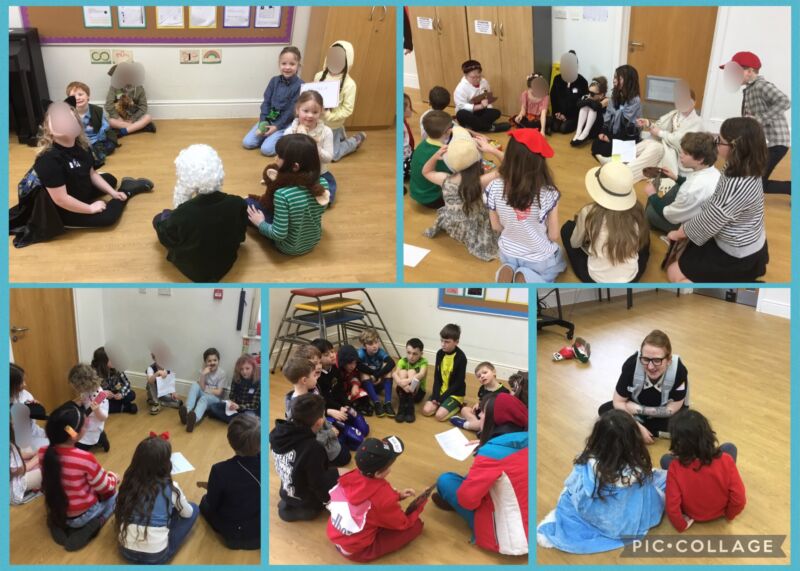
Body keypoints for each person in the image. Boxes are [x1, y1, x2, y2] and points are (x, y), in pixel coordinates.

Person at [9, 100, 152, 247]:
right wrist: (90, 208)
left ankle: (113, 191)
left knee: (110, 179)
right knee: (108, 218)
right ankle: (127, 189)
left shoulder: (82, 147)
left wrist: (112, 193)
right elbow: (61, 200)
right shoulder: (48, 159)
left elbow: (92, 174)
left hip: (77, 188)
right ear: (49, 129)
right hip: (61, 210)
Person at [537, 410, 666, 553]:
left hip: (594, 513)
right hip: (623, 521)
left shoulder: (589, 462)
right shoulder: (635, 468)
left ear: (597, 437)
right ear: (633, 439)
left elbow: (574, 484)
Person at [666, 117, 770, 283]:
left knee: (673, 273)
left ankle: (737, 280)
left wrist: (679, 233)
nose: (715, 143)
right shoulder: (744, 164)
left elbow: (713, 218)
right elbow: (717, 205)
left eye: (719, 141)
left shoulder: (738, 185)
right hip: (746, 234)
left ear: (735, 148)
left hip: (738, 252)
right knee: (686, 250)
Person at [434, 392, 528, 555]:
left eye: (483, 412)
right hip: (528, 521)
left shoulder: (490, 453)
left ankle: (451, 503)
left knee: (445, 480)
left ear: (494, 419)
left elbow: (467, 500)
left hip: (506, 538)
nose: (480, 416)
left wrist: (486, 449)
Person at [153, 144, 247, 282]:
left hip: (195, 270)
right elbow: (240, 235)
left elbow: (168, 239)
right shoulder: (237, 202)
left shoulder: (183, 213)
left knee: (158, 219)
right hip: (226, 262)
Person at [327, 436, 427, 561]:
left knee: (379, 517)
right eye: (390, 465)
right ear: (378, 474)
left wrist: (397, 496)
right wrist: (420, 504)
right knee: (416, 525)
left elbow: (372, 499)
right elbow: (402, 523)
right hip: (357, 550)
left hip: (336, 534)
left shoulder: (350, 475)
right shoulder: (383, 497)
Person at [486, 128, 566, 283]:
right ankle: (527, 277)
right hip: (538, 258)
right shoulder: (549, 193)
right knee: (558, 257)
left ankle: (507, 269)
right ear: (539, 162)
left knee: (511, 262)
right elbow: (553, 235)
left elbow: (496, 226)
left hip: (507, 252)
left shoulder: (493, 187)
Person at [39, 402, 119, 551]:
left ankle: (55, 522)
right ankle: (97, 522)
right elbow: (105, 487)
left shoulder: (43, 452)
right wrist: (114, 478)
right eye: (85, 424)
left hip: (57, 510)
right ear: (74, 434)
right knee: (116, 496)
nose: (87, 425)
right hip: (82, 516)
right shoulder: (85, 458)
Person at [561, 161, 650, 283]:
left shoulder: (589, 212)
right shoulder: (638, 211)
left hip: (595, 279)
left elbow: (575, 243)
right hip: (631, 278)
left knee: (567, 229)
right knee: (645, 239)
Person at [116, 433, 198, 564]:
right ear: (166, 464)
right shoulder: (171, 487)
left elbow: (120, 510)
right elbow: (187, 514)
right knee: (194, 508)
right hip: (156, 557)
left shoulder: (128, 482)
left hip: (125, 552)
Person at [422, 127, 501, 261]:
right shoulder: (480, 181)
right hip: (475, 228)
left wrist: (435, 156)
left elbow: (426, 172)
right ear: (478, 162)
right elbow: (509, 169)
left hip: (454, 225)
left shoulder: (445, 179)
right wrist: (492, 150)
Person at [660, 410, 745, 532]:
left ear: (677, 442)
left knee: (665, 459)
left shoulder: (675, 467)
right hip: (720, 510)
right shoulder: (726, 460)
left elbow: (672, 507)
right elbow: (739, 499)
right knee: (729, 447)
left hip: (693, 513)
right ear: (708, 433)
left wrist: (681, 525)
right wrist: (729, 514)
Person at [598, 329, 688, 444]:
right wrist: (636, 426)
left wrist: (639, 410)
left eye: (657, 360)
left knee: (683, 426)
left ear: (669, 360)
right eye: (645, 359)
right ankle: (646, 430)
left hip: (660, 413)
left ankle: (631, 430)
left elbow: (672, 409)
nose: (650, 367)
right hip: (636, 412)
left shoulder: (679, 371)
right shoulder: (631, 364)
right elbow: (618, 401)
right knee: (605, 410)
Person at [721, 51, 791, 195]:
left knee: (758, 184)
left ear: (749, 71)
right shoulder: (750, 89)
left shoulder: (761, 86)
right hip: (763, 143)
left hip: (775, 143)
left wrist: (759, 119)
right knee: (753, 180)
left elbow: (784, 101)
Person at [247, 134, 330, 256]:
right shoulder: (323, 184)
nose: (276, 158)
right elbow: (319, 210)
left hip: (288, 247)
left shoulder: (282, 194)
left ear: (295, 166)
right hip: (313, 241)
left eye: (279, 156)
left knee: (247, 203)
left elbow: (278, 234)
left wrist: (260, 223)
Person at [270, 393, 340, 522]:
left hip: (286, 490)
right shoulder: (313, 448)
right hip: (307, 503)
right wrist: (328, 502)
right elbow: (317, 484)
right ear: (319, 422)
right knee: (340, 473)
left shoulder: (276, 433)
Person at [201, 414, 261, 549]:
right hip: (260, 529)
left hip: (235, 534)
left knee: (204, 502)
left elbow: (212, 502)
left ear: (230, 440)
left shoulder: (220, 470)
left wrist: (212, 489)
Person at [644, 132, 720, 233]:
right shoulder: (714, 172)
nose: (681, 155)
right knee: (678, 186)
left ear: (700, 159)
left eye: (686, 153)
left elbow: (669, 215)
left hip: (690, 227)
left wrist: (652, 195)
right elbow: (688, 184)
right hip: (700, 215)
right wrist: (676, 178)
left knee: (649, 213)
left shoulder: (690, 188)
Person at [628, 81, 703, 182]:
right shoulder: (675, 114)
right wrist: (648, 124)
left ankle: (627, 172)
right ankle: (615, 160)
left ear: (693, 102)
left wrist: (660, 133)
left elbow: (681, 142)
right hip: (665, 145)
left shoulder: (697, 122)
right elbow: (660, 126)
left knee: (655, 147)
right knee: (648, 143)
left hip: (678, 155)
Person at [283, 355, 350, 467]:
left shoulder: (308, 395)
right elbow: (309, 438)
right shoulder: (303, 409)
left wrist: (329, 428)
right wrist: (330, 434)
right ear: (304, 380)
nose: (317, 378)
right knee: (346, 457)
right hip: (320, 445)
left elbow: (321, 417)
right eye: (314, 375)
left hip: (325, 433)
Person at [242, 46, 303, 156]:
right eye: (284, 63)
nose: (287, 67)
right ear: (279, 64)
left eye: (292, 64)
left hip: (284, 123)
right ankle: (268, 136)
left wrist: (277, 127)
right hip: (269, 119)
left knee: (266, 150)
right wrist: (263, 122)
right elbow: (266, 102)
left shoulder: (301, 85)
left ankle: (283, 138)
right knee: (247, 143)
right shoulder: (274, 81)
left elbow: (291, 111)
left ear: (298, 65)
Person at [311, 339, 369, 447]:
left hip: (338, 406)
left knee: (364, 429)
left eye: (332, 351)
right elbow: (324, 399)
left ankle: (346, 426)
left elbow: (340, 390)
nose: (332, 355)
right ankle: (341, 433)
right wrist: (338, 408)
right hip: (326, 412)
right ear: (317, 359)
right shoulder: (316, 378)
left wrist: (346, 404)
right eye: (326, 354)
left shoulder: (334, 369)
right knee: (356, 440)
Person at [314, 41, 366, 161]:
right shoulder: (319, 76)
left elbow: (347, 109)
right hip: (316, 122)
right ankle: (340, 135)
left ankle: (356, 140)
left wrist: (329, 116)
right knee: (313, 149)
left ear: (347, 62)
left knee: (333, 155)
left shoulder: (350, 85)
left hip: (333, 124)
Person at [284, 90, 337, 201]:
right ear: (297, 110)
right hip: (296, 173)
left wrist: (315, 145)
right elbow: (284, 157)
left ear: (321, 111)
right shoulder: (290, 131)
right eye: (306, 111)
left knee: (328, 194)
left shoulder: (326, 131)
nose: (310, 115)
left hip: (319, 173)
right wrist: (298, 138)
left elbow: (328, 158)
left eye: (315, 112)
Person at [592, 65, 642, 162]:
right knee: (596, 144)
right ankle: (611, 158)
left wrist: (611, 139)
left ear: (628, 81)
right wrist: (603, 132)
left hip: (627, 134)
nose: (614, 80)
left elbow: (628, 127)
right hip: (614, 132)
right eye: (614, 77)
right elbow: (608, 116)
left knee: (607, 149)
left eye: (618, 78)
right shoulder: (615, 95)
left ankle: (612, 159)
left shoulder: (635, 100)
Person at [66, 81, 116, 168]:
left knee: (110, 145)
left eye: (80, 94)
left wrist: (99, 139)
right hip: (80, 141)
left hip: (97, 139)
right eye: (73, 96)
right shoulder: (69, 113)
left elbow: (105, 125)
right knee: (72, 150)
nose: (77, 98)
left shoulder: (97, 110)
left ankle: (94, 154)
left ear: (88, 96)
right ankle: (90, 155)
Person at [409, 110, 453, 208]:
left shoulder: (422, 144)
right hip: (431, 198)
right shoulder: (441, 153)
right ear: (448, 131)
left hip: (417, 192)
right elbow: (450, 175)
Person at [423, 324, 467, 421]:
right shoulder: (440, 353)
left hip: (455, 393)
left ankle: (459, 405)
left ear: (456, 342)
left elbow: (458, 383)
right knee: (426, 411)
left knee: (439, 416)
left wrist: (442, 398)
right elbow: (437, 377)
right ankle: (442, 404)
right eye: (442, 340)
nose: (443, 344)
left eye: (447, 342)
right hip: (441, 390)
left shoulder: (461, 358)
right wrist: (435, 395)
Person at [179, 348, 227, 432]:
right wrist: (203, 374)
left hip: (214, 398)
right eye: (209, 361)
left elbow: (218, 392)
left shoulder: (222, 373)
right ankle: (187, 411)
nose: (212, 363)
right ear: (205, 362)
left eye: (215, 360)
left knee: (204, 398)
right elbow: (201, 386)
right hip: (205, 391)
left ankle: (194, 419)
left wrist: (205, 388)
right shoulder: (203, 370)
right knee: (195, 385)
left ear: (218, 361)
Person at [450, 362, 509, 432]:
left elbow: (502, 411)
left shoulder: (504, 392)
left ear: (494, 372)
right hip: (480, 413)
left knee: (489, 424)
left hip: (490, 417)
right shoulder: (482, 388)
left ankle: (466, 424)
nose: (482, 376)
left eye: (485, 372)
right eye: (479, 376)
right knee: (464, 409)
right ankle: (477, 425)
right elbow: (481, 399)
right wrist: (478, 403)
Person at [454, 60, 509, 133]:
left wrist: (487, 105)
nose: (477, 79)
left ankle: (473, 126)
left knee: (496, 112)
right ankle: (491, 128)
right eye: (473, 77)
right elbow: (461, 106)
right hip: (468, 113)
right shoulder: (460, 88)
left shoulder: (484, 82)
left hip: (479, 112)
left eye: (479, 76)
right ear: (465, 75)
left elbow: (487, 96)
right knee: (461, 114)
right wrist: (480, 106)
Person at [104, 62, 155, 136]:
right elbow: (108, 105)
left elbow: (143, 107)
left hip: (134, 117)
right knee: (110, 121)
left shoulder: (139, 88)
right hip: (119, 118)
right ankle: (141, 128)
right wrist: (118, 118)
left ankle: (123, 131)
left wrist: (132, 119)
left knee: (148, 117)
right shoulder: (114, 88)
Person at [68, 364, 110, 453]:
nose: (76, 390)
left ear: (83, 384)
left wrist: (97, 410)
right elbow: (85, 401)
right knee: (67, 429)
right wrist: (80, 403)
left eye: (76, 387)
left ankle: (101, 437)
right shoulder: (86, 391)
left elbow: (103, 417)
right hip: (85, 420)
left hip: (93, 428)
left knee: (75, 445)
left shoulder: (99, 395)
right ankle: (100, 437)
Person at [208, 354, 261, 423]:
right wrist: (232, 403)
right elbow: (232, 395)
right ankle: (237, 420)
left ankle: (234, 419)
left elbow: (254, 405)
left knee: (250, 418)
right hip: (235, 407)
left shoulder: (258, 382)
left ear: (253, 368)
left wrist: (239, 406)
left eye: (247, 368)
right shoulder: (236, 378)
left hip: (247, 410)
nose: (244, 372)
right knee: (213, 407)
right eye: (241, 369)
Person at [357, 329, 397, 418]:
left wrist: (377, 375)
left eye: (376, 342)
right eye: (370, 344)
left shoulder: (380, 351)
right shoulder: (361, 353)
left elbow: (392, 363)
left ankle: (387, 403)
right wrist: (374, 374)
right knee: (363, 373)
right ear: (364, 346)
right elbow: (358, 365)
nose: (374, 346)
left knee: (388, 367)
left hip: (378, 380)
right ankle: (376, 403)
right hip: (367, 384)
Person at [10, 363, 49, 452]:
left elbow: (39, 414)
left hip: (33, 432)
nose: (25, 384)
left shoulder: (24, 394)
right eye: (21, 382)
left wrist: (38, 407)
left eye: (24, 381)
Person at [549, 51, 589, 134]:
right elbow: (553, 97)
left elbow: (583, 102)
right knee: (555, 127)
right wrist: (557, 113)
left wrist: (567, 116)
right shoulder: (557, 79)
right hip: (559, 113)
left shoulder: (582, 81)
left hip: (573, 116)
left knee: (563, 128)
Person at [392, 338, 428, 423]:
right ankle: (402, 408)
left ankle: (410, 409)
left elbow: (421, 374)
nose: (411, 356)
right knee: (402, 372)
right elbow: (394, 374)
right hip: (402, 390)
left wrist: (407, 381)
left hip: (417, 393)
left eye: (415, 354)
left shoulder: (423, 361)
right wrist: (401, 383)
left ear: (421, 354)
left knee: (412, 372)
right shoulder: (403, 361)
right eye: (408, 352)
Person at [91, 347, 137, 414]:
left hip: (112, 395)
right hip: (100, 397)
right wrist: (104, 393)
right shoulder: (93, 372)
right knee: (96, 405)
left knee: (131, 394)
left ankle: (114, 406)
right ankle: (124, 408)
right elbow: (91, 392)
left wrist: (121, 394)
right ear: (104, 361)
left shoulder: (116, 368)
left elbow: (126, 383)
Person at [10, 422, 42, 505]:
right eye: (12, 424)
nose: (14, 425)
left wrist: (32, 454)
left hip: (16, 470)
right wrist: (35, 459)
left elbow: (17, 453)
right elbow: (19, 471)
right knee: (48, 468)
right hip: (12, 488)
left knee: (28, 449)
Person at [570, 76, 608, 146]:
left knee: (592, 108)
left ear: (601, 94)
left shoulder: (606, 100)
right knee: (584, 106)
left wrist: (587, 101)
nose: (589, 95)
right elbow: (578, 104)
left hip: (596, 128)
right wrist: (587, 101)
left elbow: (595, 107)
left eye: (592, 94)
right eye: (589, 92)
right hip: (585, 126)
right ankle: (578, 132)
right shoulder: (587, 96)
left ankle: (585, 133)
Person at [146, 351, 183, 415]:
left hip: (163, 392)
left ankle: (158, 402)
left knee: (178, 403)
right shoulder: (150, 368)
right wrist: (157, 373)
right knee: (150, 383)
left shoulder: (168, 368)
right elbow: (150, 381)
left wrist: (173, 393)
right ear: (154, 358)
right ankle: (156, 402)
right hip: (153, 392)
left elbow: (170, 382)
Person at [403, 93, 415, 181]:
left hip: (409, 152)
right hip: (405, 159)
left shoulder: (404, 121)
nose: (411, 109)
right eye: (409, 107)